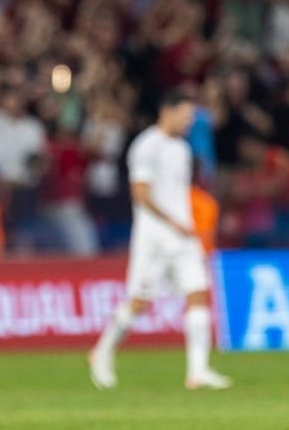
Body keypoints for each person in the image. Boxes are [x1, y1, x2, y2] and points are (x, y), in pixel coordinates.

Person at [89, 90, 232, 391]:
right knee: (139, 303)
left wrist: (185, 224)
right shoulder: (146, 146)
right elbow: (140, 194)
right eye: (186, 115)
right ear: (168, 111)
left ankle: (198, 371)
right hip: (153, 238)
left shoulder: (181, 149)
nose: (189, 122)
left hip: (183, 237)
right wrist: (174, 222)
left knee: (198, 292)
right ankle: (102, 352)